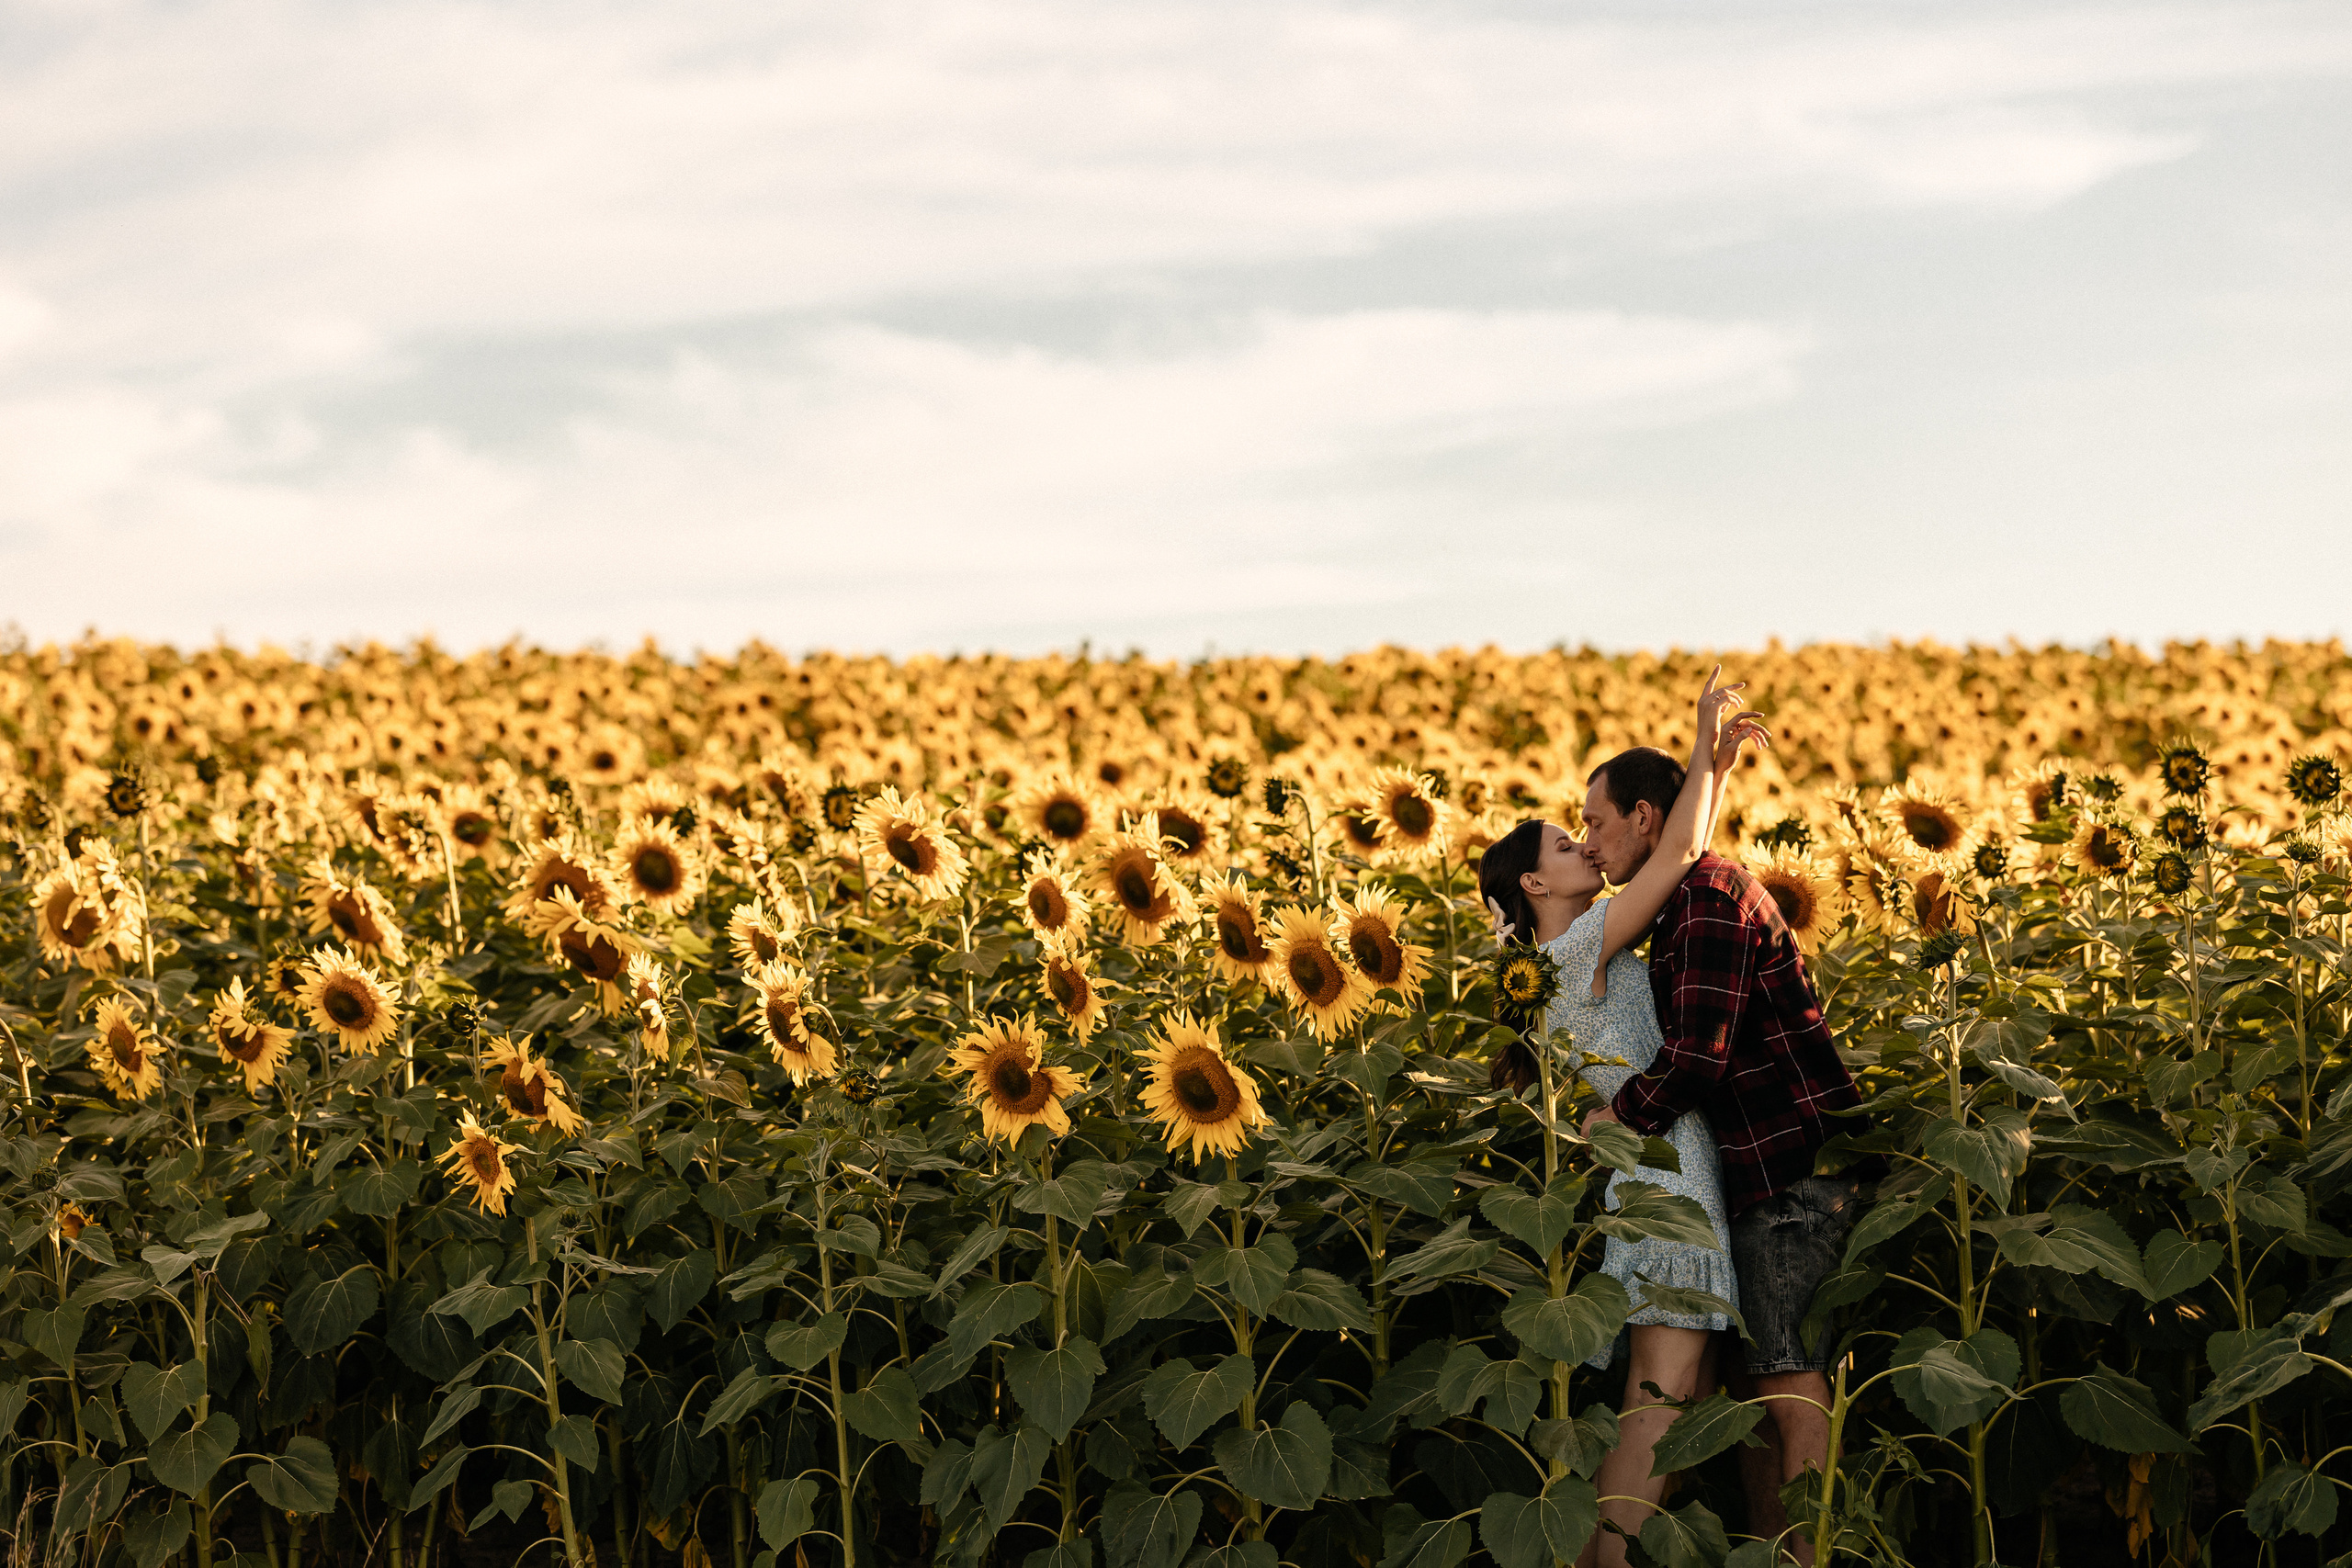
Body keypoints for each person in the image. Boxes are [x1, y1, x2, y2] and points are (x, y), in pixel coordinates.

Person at [1478, 668, 1766, 1568]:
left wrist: (1710, 776)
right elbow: (1673, 854)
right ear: (1535, 880)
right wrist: (1699, 750)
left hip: (1663, 1182)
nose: (1587, 848)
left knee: (1679, 1401)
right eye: (1568, 845)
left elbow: (1669, 847)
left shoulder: (1575, 953)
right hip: (1665, 1190)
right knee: (1661, 1408)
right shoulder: (1572, 948)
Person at [1579, 729, 1877, 1567]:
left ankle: (1807, 1554)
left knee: (1788, 1375)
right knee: (1756, 1385)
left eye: (1596, 822)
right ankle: (1769, 1550)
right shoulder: (1677, 902)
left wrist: (1621, 1117)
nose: (1591, 842)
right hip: (1757, 1173)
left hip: (1790, 1175)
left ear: (1644, 817)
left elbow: (1699, 1052)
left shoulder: (1707, 899)